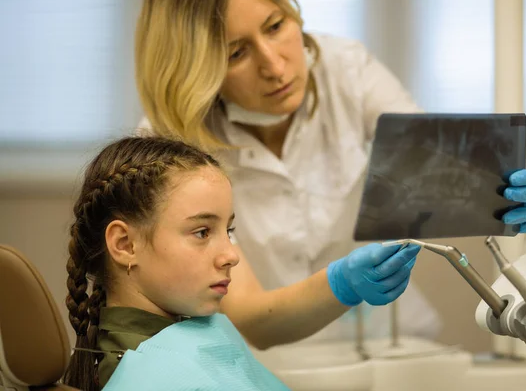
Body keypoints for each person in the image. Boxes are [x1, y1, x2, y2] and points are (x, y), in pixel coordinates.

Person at [134, 0, 526, 345]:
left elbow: (436, 165)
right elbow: (248, 317)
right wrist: (342, 285)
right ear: (197, 68)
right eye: (237, 52)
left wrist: (502, 192)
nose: (275, 66)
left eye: (276, 26)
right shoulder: (170, 144)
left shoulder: (345, 68)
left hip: (394, 341)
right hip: (272, 363)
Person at [62, 136, 421, 390]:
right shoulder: (161, 373)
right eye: (202, 232)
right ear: (125, 244)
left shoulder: (188, 337)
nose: (231, 255)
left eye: (228, 230)